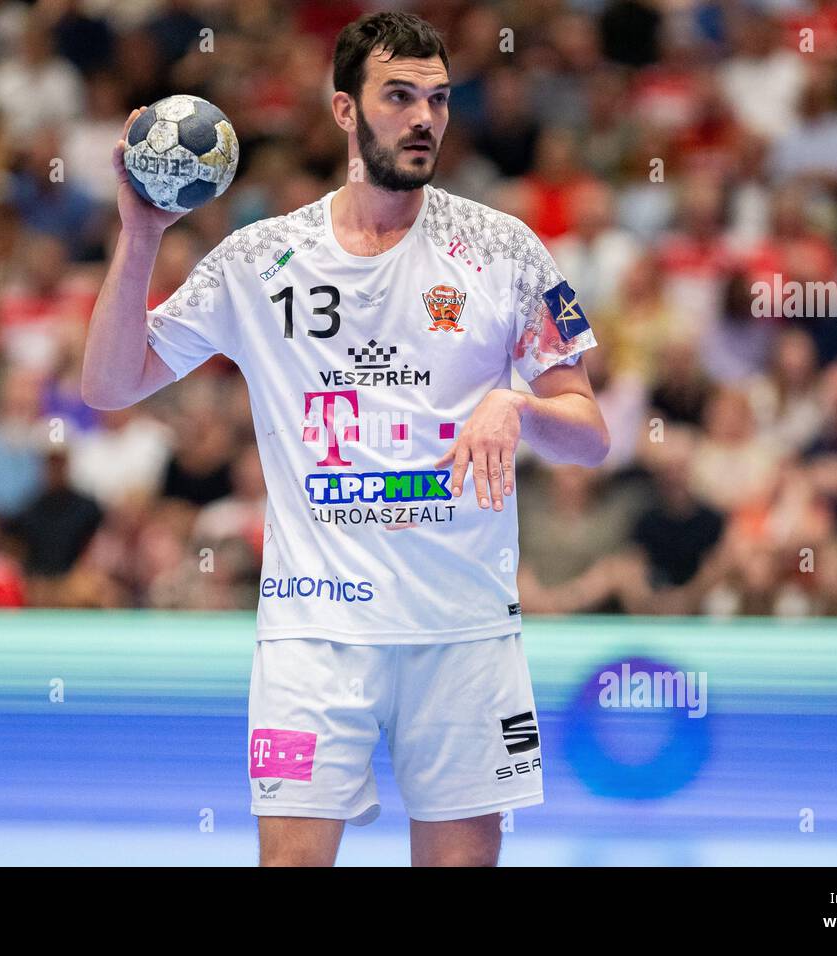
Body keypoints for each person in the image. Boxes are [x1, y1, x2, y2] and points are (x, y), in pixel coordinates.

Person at [82, 11, 608, 867]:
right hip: (312, 637)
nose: (424, 118)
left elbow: (589, 435)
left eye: (436, 99)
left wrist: (518, 407)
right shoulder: (262, 260)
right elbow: (109, 384)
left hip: (463, 631)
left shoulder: (502, 248)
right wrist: (141, 235)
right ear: (342, 111)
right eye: (399, 96)